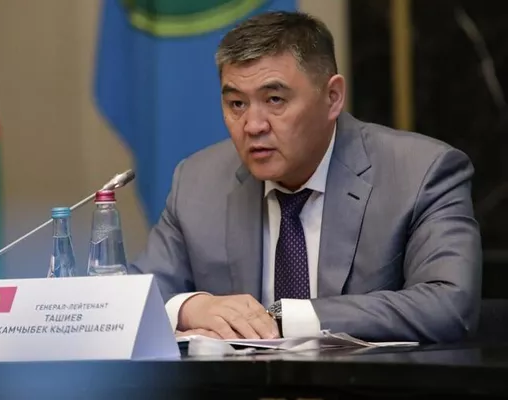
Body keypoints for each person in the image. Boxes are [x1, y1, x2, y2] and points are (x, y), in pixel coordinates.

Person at [129, 11, 482, 343]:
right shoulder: (197, 181)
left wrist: (285, 318)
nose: (253, 126)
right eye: (237, 104)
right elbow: (129, 298)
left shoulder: (421, 173)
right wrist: (191, 308)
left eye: (275, 100)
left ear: (332, 97)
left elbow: (449, 303)